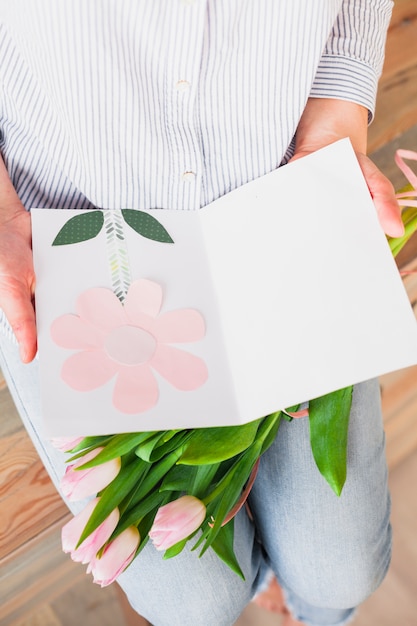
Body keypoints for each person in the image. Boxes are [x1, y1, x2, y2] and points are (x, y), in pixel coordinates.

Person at [0, 2, 404, 625]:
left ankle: (297, 602)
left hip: (275, 194)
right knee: (195, 605)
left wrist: (337, 116)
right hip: (72, 235)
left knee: (342, 568)